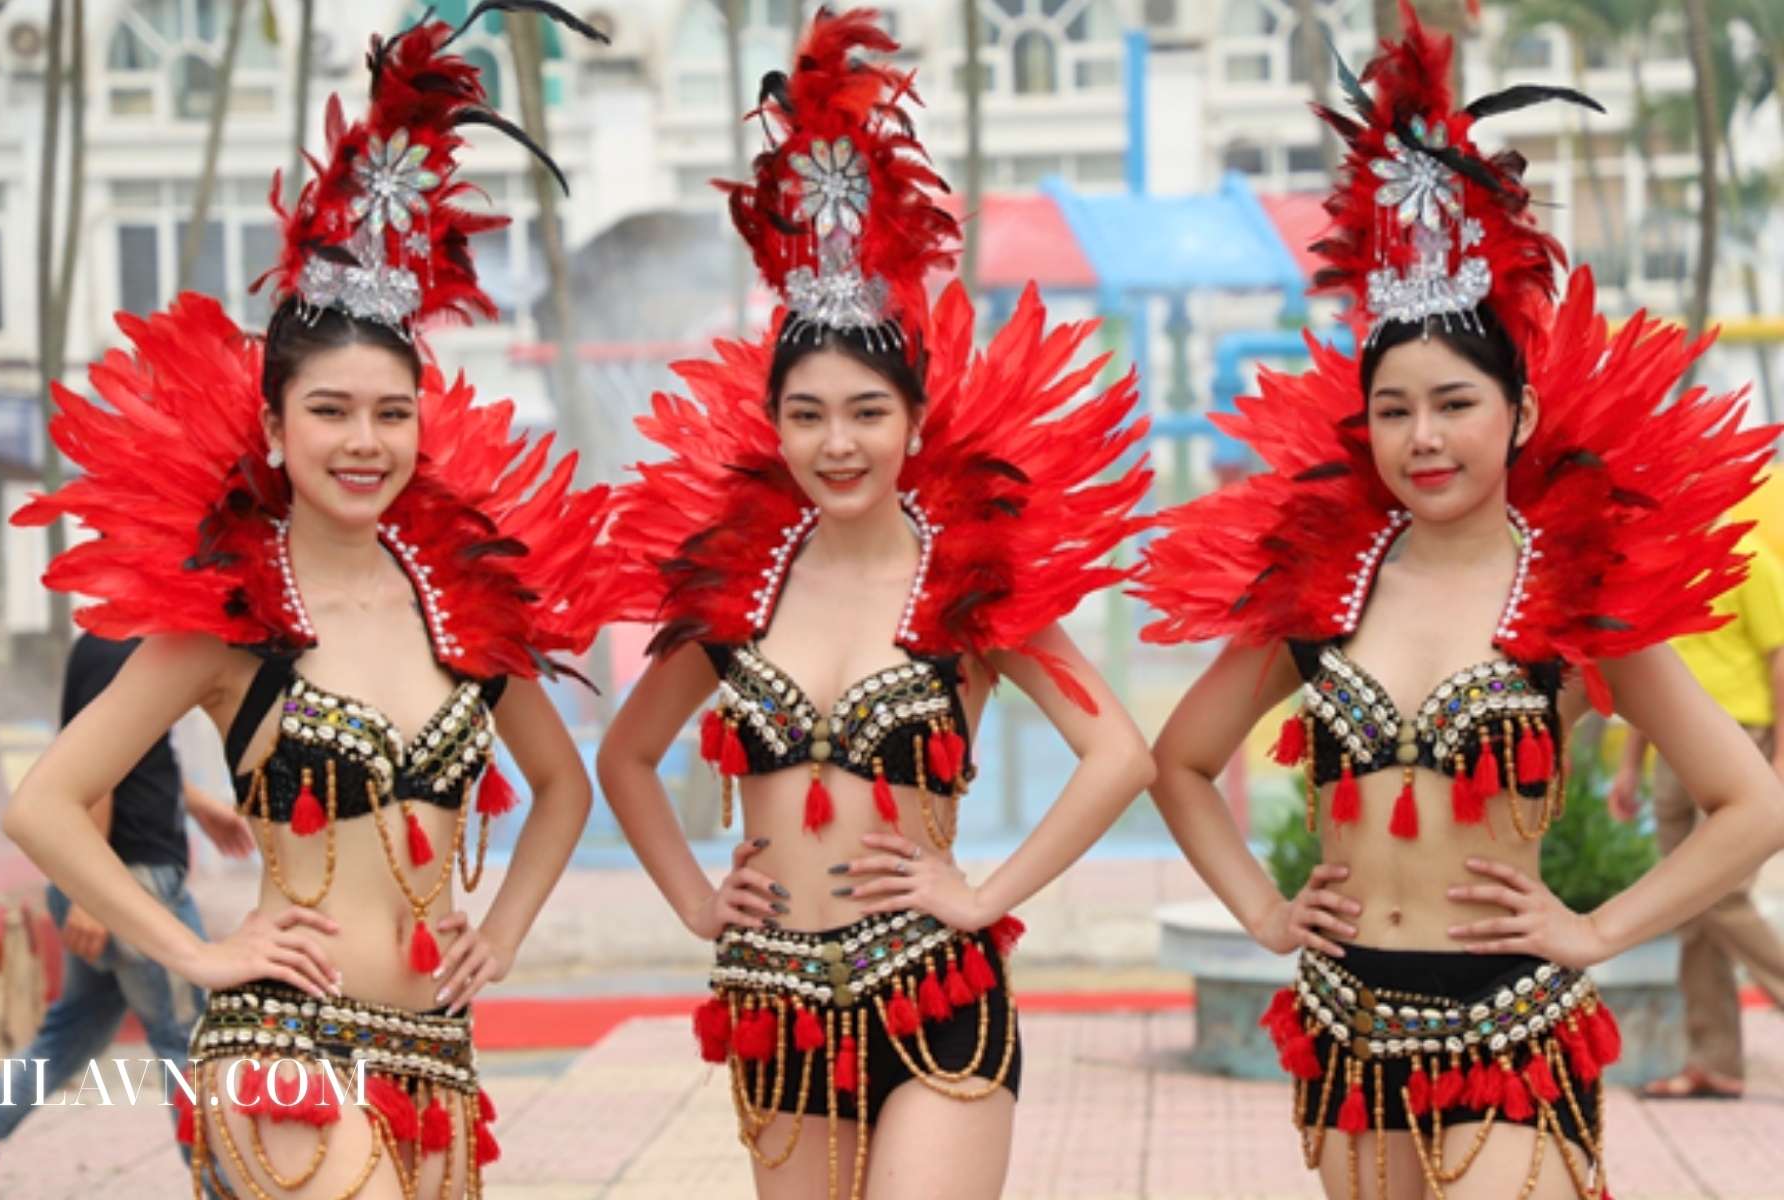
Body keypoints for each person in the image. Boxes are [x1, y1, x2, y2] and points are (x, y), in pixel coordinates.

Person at [1135, 6, 1784, 1199]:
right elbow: (1178, 762)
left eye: (1454, 405)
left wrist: (1595, 930)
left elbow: (1752, 804)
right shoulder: (1323, 592)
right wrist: (1267, 916)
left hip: (1510, 1029)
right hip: (1346, 1034)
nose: (1423, 437)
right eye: (1393, 410)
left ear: (1518, 414)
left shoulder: (1571, 596)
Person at [0, 6, 620, 1197]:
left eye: (391, 414)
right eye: (329, 412)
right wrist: (194, 954)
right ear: (277, 431)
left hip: (436, 1060)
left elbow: (563, 784)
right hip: (284, 1046)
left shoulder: (463, 604)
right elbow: (45, 807)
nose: (363, 441)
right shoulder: (235, 621)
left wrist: (503, 933)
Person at [596, 11, 1157, 1199]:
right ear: (775, 425)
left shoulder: (973, 581)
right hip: (776, 1002)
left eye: (866, 413)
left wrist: (984, 895)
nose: (837, 444)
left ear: (915, 420)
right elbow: (626, 757)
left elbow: (1120, 754)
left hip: (934, 995)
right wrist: (698, 901)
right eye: (807, 415)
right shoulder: (737, 587)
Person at [0, 632, 256, 1200]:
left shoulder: (117, 642)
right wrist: (91, 898)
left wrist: (198, 804)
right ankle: (220, 1190)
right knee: (189, 1045)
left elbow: (132, 751)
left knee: (65, 1040)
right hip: (132, 885)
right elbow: (91, 780)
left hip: (115, 882)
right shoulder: (123, 649)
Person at [1608, 528, 1784, 1101]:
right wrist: (1630, 766)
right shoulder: (1659, 562)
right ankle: (1715, 1060)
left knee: (1721, 894)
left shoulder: (1749, 557)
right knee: (1687, 906)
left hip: (1742, 740)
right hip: (1670, 749)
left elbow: (1781, 658)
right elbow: (1646, 671)